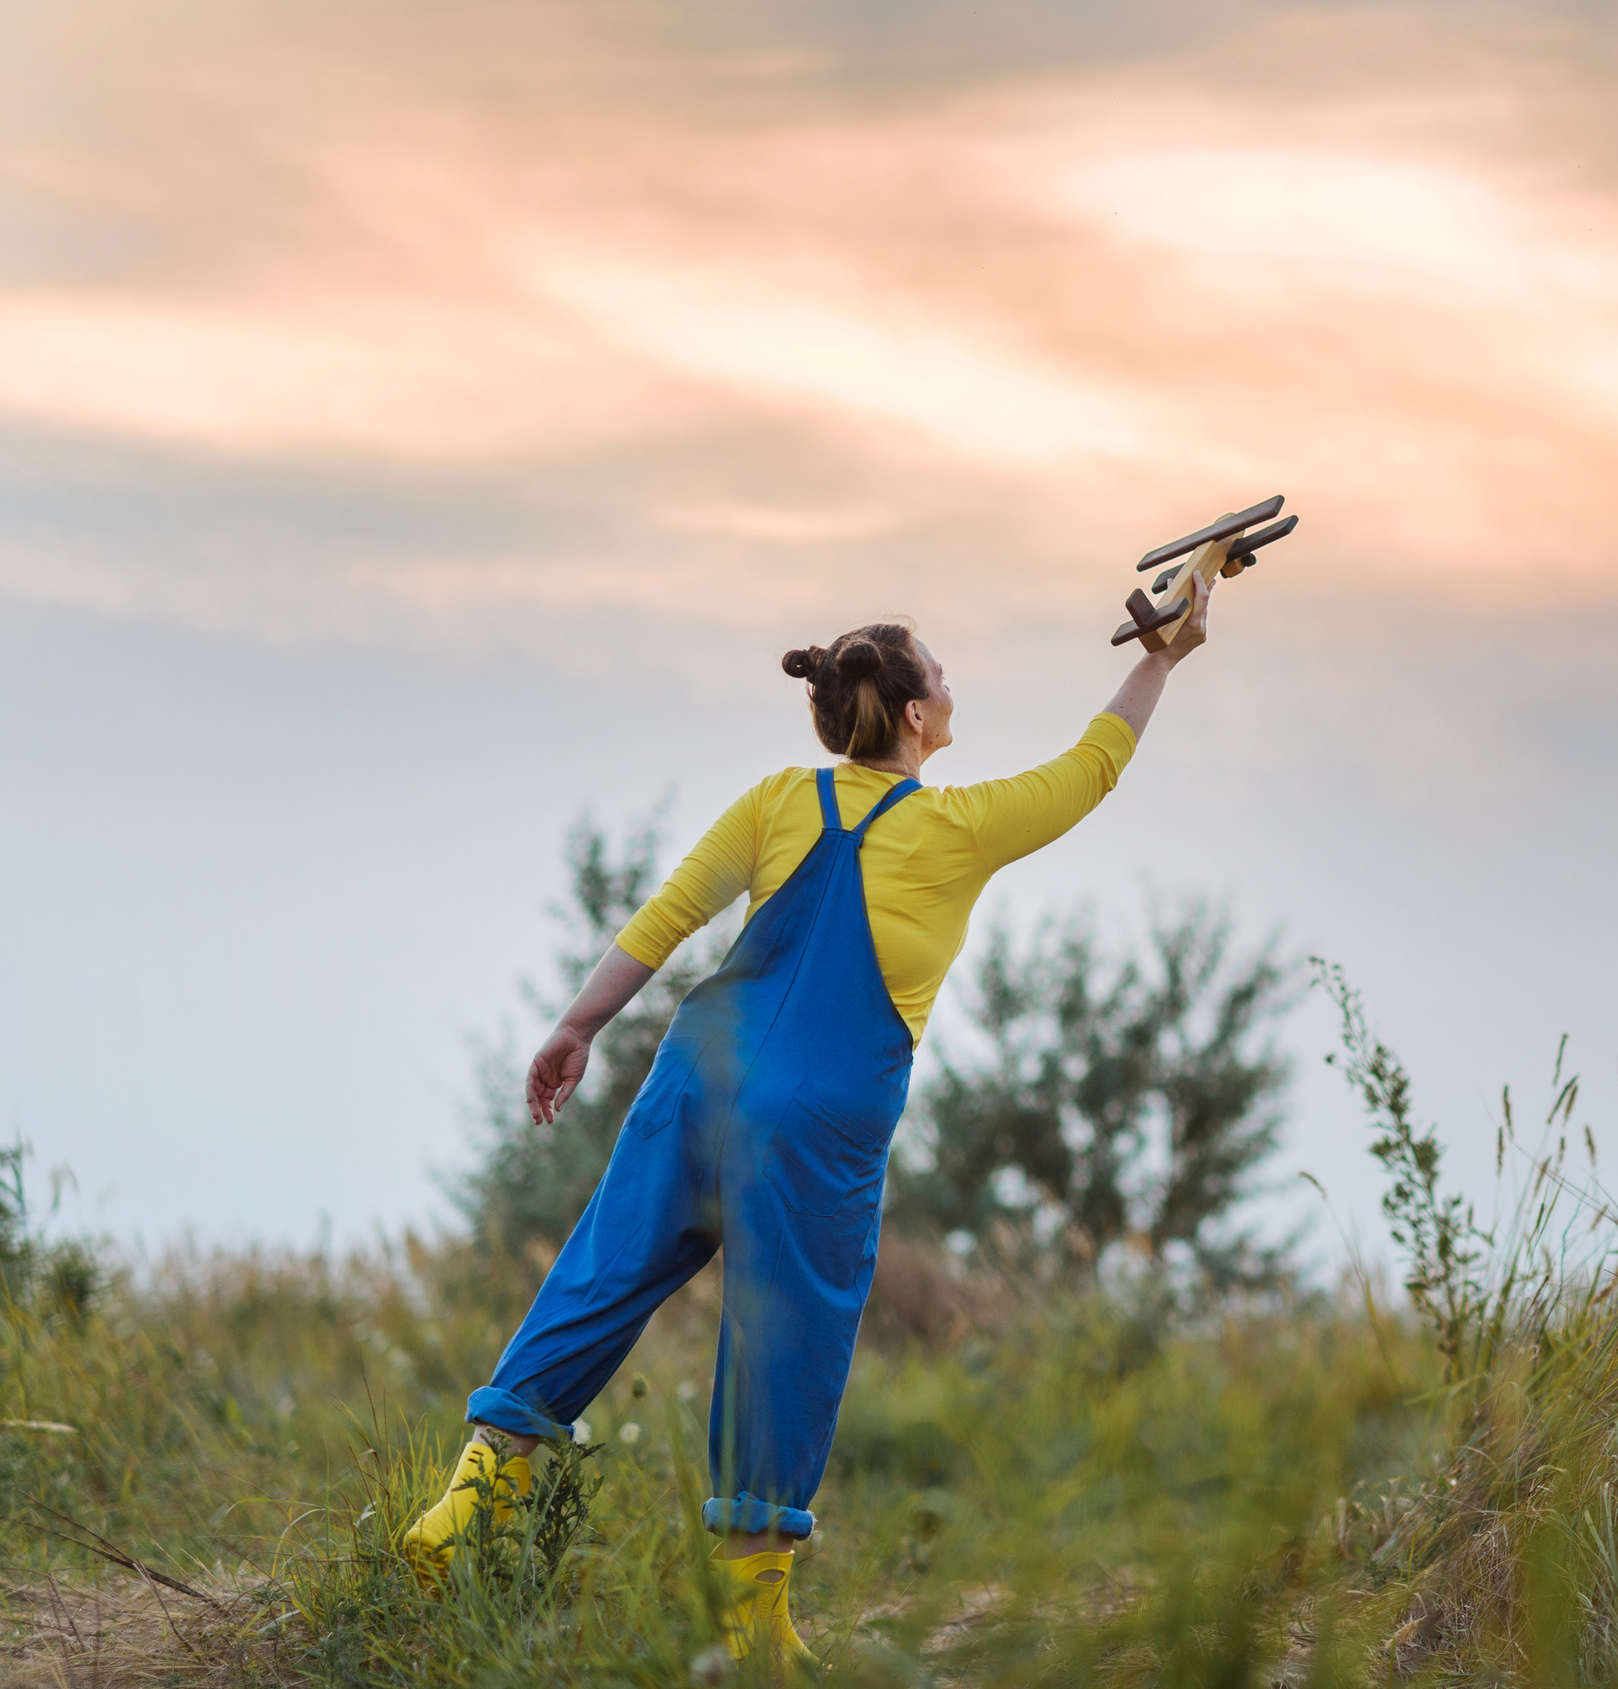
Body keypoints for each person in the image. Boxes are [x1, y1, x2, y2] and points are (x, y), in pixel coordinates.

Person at [400, 575, 1217, 1665]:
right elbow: (1093, 765)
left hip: (697, 1076)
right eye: (943, 673)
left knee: (598, 1273)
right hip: (816, 1118)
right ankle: (748, 1617)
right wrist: (1159, 659)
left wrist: (576, 1027)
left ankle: (465, 1508)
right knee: (783, 1335)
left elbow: (668, 915)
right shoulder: (958, 828)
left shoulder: (779, 800)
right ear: (917, 713)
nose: (951, 684)